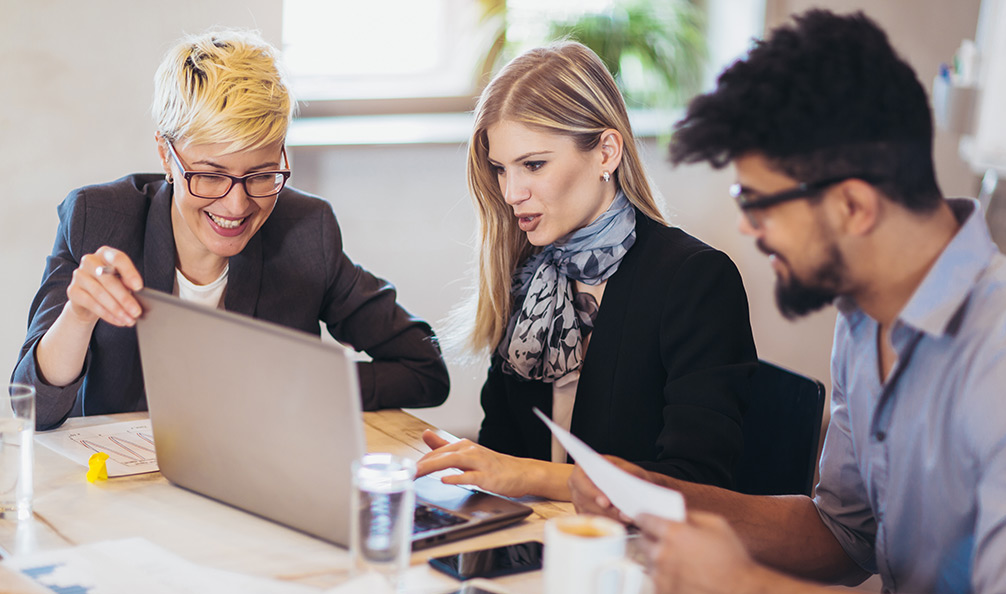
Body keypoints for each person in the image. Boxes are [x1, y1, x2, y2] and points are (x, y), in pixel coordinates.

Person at [568, 10, 1006, 594]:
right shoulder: (864, 317)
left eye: (758, 202)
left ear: (853, 206)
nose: (747, 228)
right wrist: (660, 494)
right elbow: (845, 534)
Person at [13, 29, 449, 431]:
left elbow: (424, 368)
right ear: (167, 155)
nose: (237, 205)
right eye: (210, 175)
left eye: (261, 175)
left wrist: (299, 386)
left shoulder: (305, 231)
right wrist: (79, 316)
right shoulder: (99, 219)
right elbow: (34, 409)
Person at [416, 41, 756, 501]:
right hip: (538, 539)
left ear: (606, 153)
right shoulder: (530, 274)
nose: (512, 192)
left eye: (533, 165)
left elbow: (696, 483)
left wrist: (527, 477)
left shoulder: (695, 280)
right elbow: (503, 447)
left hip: (637, 554)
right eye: (500, 169)